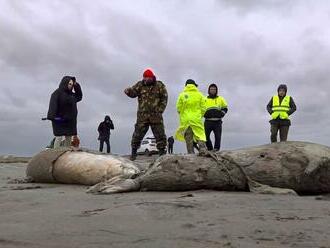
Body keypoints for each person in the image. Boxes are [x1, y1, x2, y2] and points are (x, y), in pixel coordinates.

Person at [124, 68, 168, 161]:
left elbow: (164, 98)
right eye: (145, 78)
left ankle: (161, 153)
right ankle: (133, 153)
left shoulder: (159, 85)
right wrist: (128, 91)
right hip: (142, 115)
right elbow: (133, 93)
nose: (146, 79)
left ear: (152, 77)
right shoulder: (140, 85)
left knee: (160, 134)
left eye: (148, 78)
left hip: (155, 115)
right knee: (137, 134)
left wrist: (160, 110)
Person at [47, 76, 83, 148]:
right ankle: (55, 153)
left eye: (72, 84)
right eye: (70, 84)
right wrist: (52, 117)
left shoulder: (72, 95)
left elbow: (79, 96)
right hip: (59, 120)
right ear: (65, 83)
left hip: (70, 120)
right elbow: (52, 105)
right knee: (59, 137)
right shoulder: (56, 93)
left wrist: (76, 85)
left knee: (69, 137)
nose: (71, 86)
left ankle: (66, 152)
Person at [175, 79, 207, 155]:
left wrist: (183, 115)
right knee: (200, 135)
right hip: (196, 119)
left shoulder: (182, 95)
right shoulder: (200, 95)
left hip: (186, 120)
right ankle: (203, 150)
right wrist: (199, 115)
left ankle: (191, 154)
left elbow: (178, 108)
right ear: (194, 85)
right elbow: (204, 108)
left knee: (188, 137)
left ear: (186, 85)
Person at [204, 83, 228, 151]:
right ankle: (210, 149)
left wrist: (222, 113)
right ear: (209, 90)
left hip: (217, 121)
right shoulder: (204, 99)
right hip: (208, 121)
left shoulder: (221, 99)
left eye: (214, 89)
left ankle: (216, 150)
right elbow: (201, 108)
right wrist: (204, 114)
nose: (213, 90)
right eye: (211, 89)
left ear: (216, 90)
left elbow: (225, 108)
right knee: (205, 137)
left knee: (218, 137)